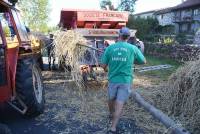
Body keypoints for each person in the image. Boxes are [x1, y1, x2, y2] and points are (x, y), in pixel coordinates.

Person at [101, 27, 146, 134]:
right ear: (128, 37)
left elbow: (103, 65)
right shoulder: (133, 48)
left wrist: (106, 69)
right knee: (120, 103)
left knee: (111, 99)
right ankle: (113, 127)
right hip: (126, 80)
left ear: (119, 35)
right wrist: (133, 61)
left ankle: (111, 113)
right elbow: (143, 61)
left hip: (113, 79)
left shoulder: (110, 48)